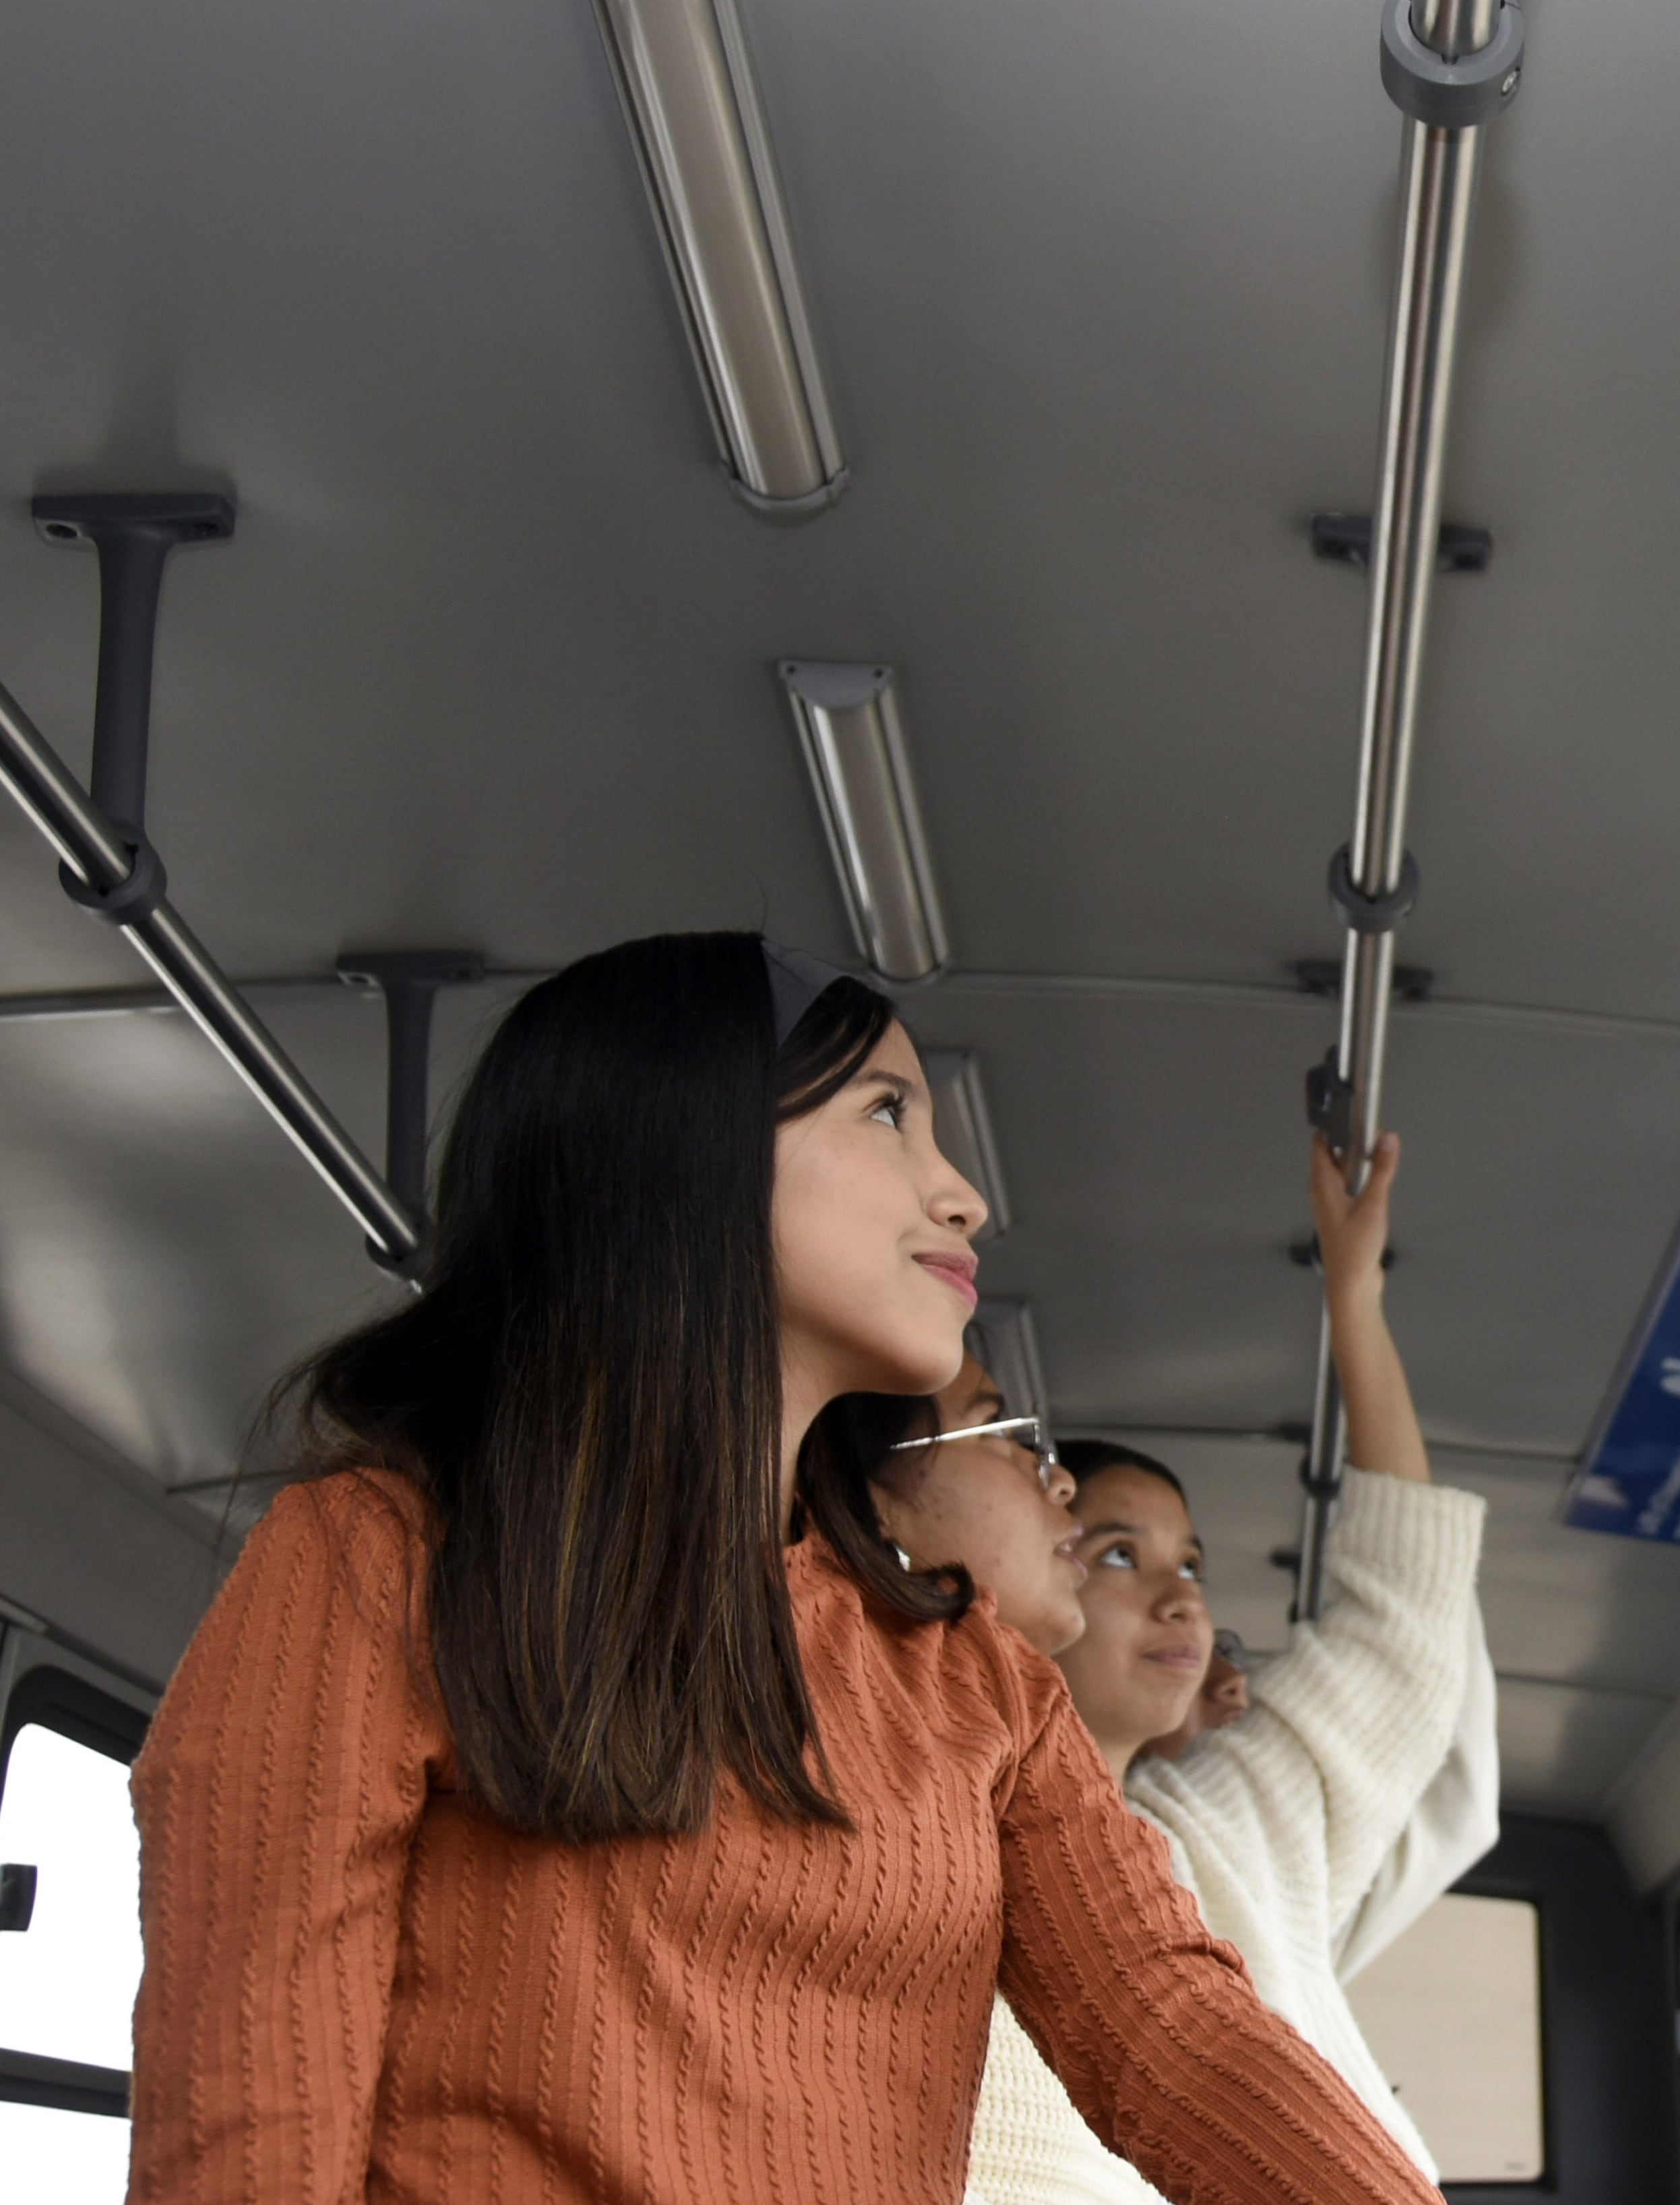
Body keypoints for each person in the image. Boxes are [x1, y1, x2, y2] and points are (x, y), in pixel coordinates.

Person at [125, 933, 1443, 2205]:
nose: (961, 1193)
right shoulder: (377, 1565)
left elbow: (1165, 2024)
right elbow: (255, 2136)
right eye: (888, 1115)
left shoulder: (967, 1670)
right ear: (678, 1157)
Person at [842, 1136, 1497, 2205]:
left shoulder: (1217, 1837)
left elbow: (1402, 1639)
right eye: (1116, 1553)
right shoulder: (870, 1844)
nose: (1183, 1598)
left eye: (1191, 1564)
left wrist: (1355, 1302)